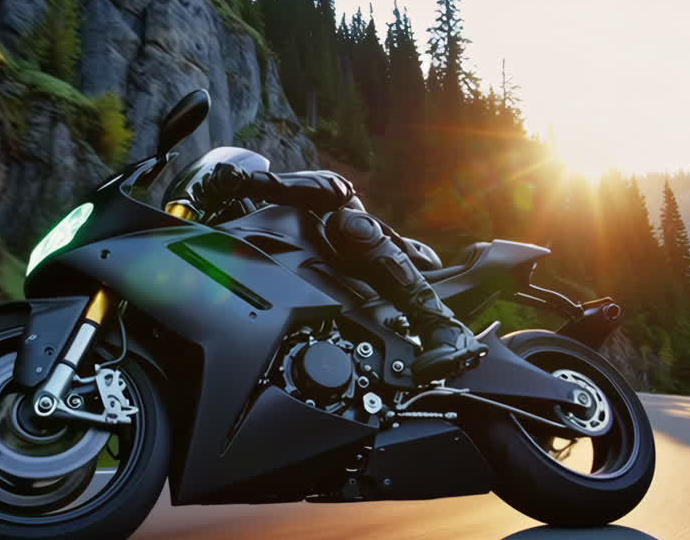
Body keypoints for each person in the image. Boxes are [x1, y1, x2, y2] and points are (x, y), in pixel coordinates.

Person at [194, 162, 485, 382]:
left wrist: (248, 181)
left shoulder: (304, 202)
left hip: (404, 260)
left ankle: (444, 325)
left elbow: (337, 187)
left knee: (350, 224)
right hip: (349, 294)